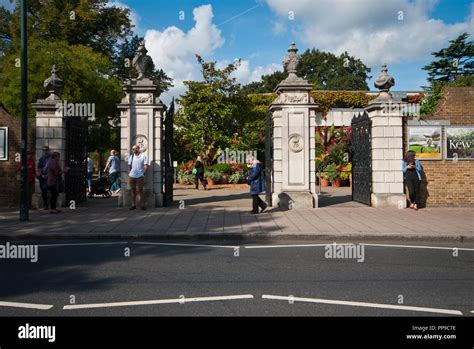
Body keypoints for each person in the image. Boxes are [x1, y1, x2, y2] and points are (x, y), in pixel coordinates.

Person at [128, 144, 149, 210]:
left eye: (134, 149)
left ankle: (142, 205)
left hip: (140, 176)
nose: (133, 150)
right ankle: (133, 205)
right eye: (132, 149)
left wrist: (143, 174)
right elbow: (129, 165)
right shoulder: (131, 156)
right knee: (133, 190)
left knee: (141, 190)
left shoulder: (143, 156)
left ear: (138, 149)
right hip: (132, 176)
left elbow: (146, 166)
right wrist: (129, 173)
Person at [36, 145, 51, 210]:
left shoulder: (51, 158)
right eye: (44, 150)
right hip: (42, 176)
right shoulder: (41, 158)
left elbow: (52, 168)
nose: (45, 151)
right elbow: (39, 168)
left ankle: (50, 203)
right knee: (43, 190)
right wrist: (41, 175)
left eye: (46, 150)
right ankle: (45, 204)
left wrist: (48, 174)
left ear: (48, 150)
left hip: (49, 175)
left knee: (49, 189)